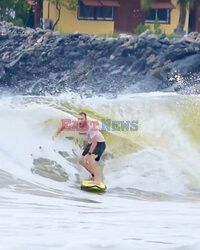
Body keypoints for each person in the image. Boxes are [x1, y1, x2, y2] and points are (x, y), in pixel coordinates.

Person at [52, 112, 106, 185]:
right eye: (79, 119)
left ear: (86, 119)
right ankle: (94, 176)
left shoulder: (90, 127)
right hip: (91, 144)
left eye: (82, 119)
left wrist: (89, 154)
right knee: (82, 161)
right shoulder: (76, 124)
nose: (80, 121)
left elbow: (95, 143)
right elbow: (63, 126)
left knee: (90, 158)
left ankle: (97, 180)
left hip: (99, 143)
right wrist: (56, 134)